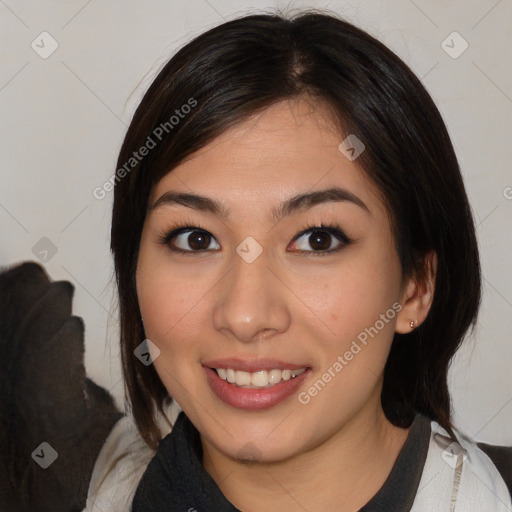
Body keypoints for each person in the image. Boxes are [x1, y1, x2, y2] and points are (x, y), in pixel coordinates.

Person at [86, 9, 511, 512]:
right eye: (195, 239)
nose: (245, 316)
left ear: (415, 285)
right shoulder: (67, 483)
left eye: (318, 240)